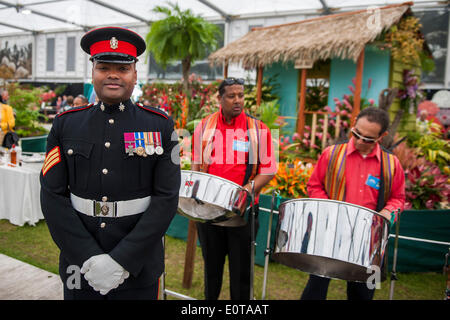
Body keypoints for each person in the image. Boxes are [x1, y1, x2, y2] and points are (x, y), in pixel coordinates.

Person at [40, 26, 181, 300]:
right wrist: (88, 256)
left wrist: (122, 260)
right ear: (92, 72)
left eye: (123, 68)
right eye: (104, 67)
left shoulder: (160, 125)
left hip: (138, 269)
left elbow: (167, 198)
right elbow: (52, 197)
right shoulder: (66, 124)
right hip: (79, 268)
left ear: (135, 75)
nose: (113, 74)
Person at [300, 106, 405, 300]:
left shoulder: (392, 164)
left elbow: (398, 199)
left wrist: (388, 213)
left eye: (367, 139)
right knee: (315, 289)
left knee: (362, 295)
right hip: (330, 233)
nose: (359, 141)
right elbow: (314, 185)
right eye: (356, 133)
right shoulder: (331, 154)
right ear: (354, 124)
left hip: (369, 240)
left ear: (382, 136)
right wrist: (330, 210)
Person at [191, 77, 277, 300]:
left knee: (241, 272)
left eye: (241, 95)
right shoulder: (205, 125)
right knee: (212, 268)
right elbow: (196, 163)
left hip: (243, 212)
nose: (237, 100)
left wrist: (247, 190)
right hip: (210, 211)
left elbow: (268, 169)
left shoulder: (259, 129)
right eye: (231, 96)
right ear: (219, 98)